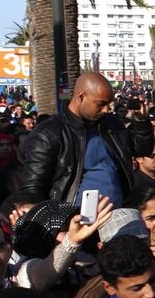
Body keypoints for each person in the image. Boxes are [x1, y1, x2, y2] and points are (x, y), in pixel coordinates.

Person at [18, 72, 134, 204]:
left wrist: (141, 124)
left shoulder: (112, 126)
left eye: (109, 104)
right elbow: (32, 189)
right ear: (81, 96)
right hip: (72, 218)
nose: (106, 110)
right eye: (101, 104)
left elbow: (142, 151)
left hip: (119, 214)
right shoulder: (49, 133)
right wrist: (60, 220)